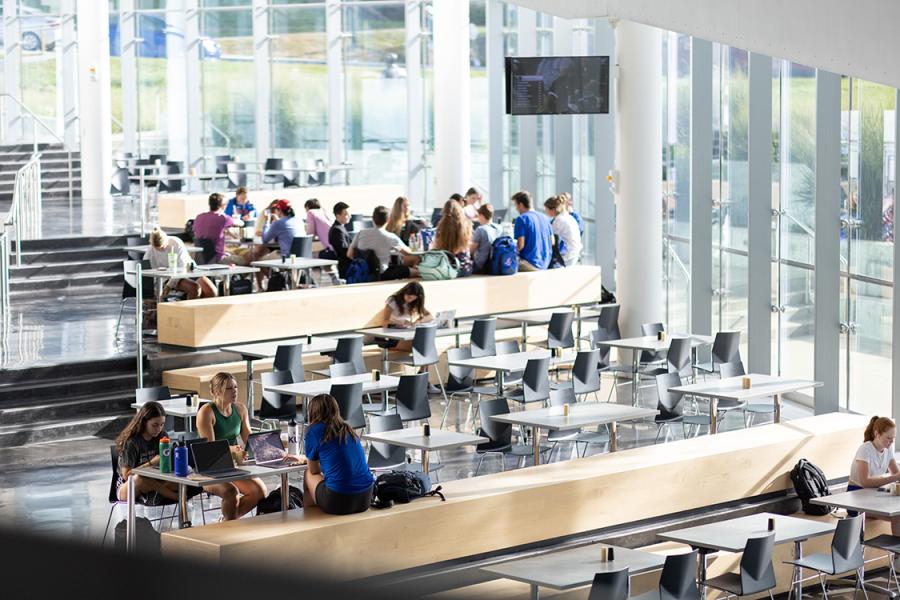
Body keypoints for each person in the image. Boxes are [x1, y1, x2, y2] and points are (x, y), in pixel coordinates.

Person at [196, 372, 269, 520]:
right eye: (229, 388)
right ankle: (229, 525)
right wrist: (235, 451)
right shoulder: (207, 412)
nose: (234, 391)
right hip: (209, 468)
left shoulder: (240, 409)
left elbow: (250, 440)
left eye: (235, 387)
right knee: (231, 492)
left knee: (260, 491)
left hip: (233, 465)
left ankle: (228, 522)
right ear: (216, 391)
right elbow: (212, 449)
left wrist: (269, 446)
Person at [303, 393, 375, 515]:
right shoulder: (348, 429)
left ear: (312, 412)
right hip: (366, 497)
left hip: (338, 500)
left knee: (308, 473)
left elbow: (314, 470)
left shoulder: (313, 430)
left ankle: (309, 515)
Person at [115, 401, 180, 503]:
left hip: (156, 480)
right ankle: (173, 496)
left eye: (162, 424)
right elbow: (127, 476)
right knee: (141, 479)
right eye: (154, 425)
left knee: (181, 476)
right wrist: (152, 462)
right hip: (128, 486)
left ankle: (155, 494)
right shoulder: (132, 442)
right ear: (145, 422)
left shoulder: (163, 436)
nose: (158, 429)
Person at [347, 205, 419, 277]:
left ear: (373, 219)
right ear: (388, 220)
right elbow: (408, 253)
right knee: (416, 272)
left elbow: (349, 255)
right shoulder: (390, 237)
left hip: (362, 273)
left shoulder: (360, 233)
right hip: (383, 274)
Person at [144, 227, 216, 299]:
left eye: (162, 247)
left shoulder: (176, 243)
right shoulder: (150, 252)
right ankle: (188, 309)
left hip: (187, 270)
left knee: (211, 291)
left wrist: (170, 285)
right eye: (158, 248)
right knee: (194, 288)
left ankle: (201, 309)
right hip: (168, 277)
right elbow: (147, 275)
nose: (160, 250)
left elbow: (182, 267)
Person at [193, 193, 246, 264]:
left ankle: (232, 275)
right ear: (223, 206)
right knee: (245, 260)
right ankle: (236, 274)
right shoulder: (223, 218)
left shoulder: (199, 217)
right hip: (218, 258)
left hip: (201, 258)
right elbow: (241, 223)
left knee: (230, 253)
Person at [511, 190, 553, 271]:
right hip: (545, 263)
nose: (516, 209)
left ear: (520, 204)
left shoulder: (521, 219)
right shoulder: (545, 218)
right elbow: (552, 242)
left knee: (503, 265)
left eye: (516, 205)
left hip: (529, 263)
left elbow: (520, 246)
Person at [432, 199, 474, 277]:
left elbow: (436, 248)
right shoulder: (466, 225)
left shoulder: (441, 227)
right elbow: (468, 246)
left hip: (446, 268)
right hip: (464, 268)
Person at [544, 195, 583, 266]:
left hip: (567, 257)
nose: (546, 212)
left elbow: (551, 240)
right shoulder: (570, 217)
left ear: (552, 209)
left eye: (546, 209)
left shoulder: (558, 220)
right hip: (575, 254)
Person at [470, 203, 501, 274]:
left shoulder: (480, 229)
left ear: (481, 215)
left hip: (481, 266)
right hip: (495, 263)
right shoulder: (499, 228)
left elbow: (471, 251)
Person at [329, 202, 353, 278]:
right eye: (346, 214)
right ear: (338, 215)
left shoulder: (340, 227)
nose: (350, 216)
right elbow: (343, 250)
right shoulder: (337, 230)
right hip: (346, 266)